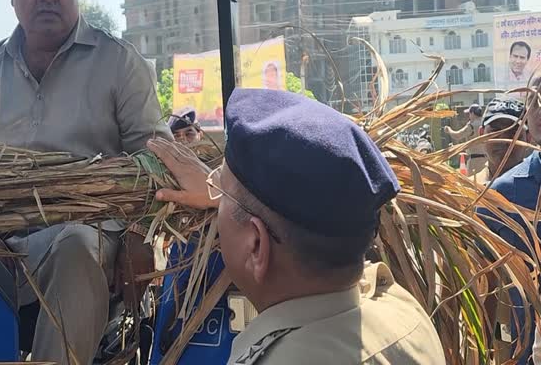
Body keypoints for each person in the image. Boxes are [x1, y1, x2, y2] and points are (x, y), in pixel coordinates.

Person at [0, 0, 171, 365]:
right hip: (4, 241)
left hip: (92, 233)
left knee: (74, 245)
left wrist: (138, 233)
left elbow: (158, 160)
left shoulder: (118, 62)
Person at [148, 89, 446, 364]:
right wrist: (230, 197)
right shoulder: (405, 313)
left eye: (220, 193)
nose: (214, 197)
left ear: (255, 246)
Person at [484, 75, 541, 364]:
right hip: (524, 350)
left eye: (510, 131)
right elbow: (487, 284)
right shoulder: (500, 197)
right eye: (535, 102)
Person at [473, 96, 530, 185]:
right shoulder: (467, 190)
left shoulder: (537, 190)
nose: (504, 139)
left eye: (514, 131)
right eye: (495, 130)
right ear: (481, 134)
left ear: (528, 138)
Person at [444, 104, 486, 176]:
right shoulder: (485, 123)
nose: (469, 116)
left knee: (473, 184)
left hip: (474, 160)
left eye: (469, 113)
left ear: (472, 113)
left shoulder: (471, 126)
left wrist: (449, 130)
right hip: (486, 160)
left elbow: (457, 136)